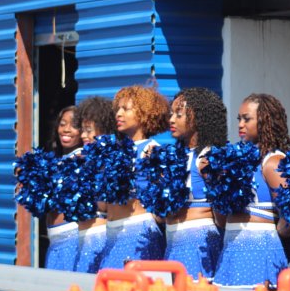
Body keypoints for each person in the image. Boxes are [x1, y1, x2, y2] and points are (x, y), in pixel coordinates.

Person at [212, 93, 290, 288]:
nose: (240, 124)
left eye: (247, 119)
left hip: (260, 254)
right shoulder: (234, 161)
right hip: (231, 253)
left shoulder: (273, 161)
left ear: (265, 121)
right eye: (239, 119)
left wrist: (277, 235)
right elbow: (221, 220)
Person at [99, 85, 169, 269]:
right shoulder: (113, 151)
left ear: (144, 114)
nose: (118, 114)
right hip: (111, 234)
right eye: (118, 109)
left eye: (126, 109)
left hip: (138, 234)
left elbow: (164, 201)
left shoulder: (152, 149)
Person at [166, 87, 227, 279]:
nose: (172, 120)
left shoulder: (208, 157)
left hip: (198, 245)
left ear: (198, 118)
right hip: (172, 244)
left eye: (179, 114)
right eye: (171, 114)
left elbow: (222, 216)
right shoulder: (174, 156)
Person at [72, 96, 116, 273]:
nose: (83, 135)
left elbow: (105, 205)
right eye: (82, 130)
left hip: (100, 238)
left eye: (88, 130)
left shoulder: (111, 160)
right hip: (82, 239)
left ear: (104, 129)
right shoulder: (80, 158)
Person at [44, 105, 83, 271]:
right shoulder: (59, 160)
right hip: (55, 240)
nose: (66, 129)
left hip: (72, 240)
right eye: (62, 124)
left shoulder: (81, 158)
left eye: (74, 125)